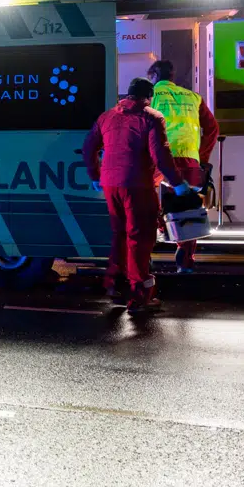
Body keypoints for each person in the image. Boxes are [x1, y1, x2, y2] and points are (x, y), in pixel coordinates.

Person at [83, 78, 191, 312]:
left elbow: (88, 147)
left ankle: (113, 285)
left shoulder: (107, 116)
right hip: (138, 185)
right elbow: (160, 155)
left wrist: (95, 175)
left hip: (111, 185)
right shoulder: (151, 117)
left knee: (119, 235)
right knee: (139, 239)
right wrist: (178, 183)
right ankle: (139, 296)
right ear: (148, 96)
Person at [148, 60, 220, 272]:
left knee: (149, 207)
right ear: (172, 76)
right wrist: (201, 157)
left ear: (153, 75)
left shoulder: (151, 97)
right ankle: (185, 263)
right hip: (190, 162)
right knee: (187, 210)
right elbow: (213, 129)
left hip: (160, 162)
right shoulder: (193, 97)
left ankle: (144, 258)